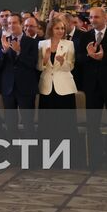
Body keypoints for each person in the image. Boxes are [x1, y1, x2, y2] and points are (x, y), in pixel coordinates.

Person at [73, 5, 107, 170]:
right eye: (90, 17)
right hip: (92, 87)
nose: (92, 20)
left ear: (105, 19)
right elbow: (79, 59)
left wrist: (104, 57)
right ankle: (95, 160)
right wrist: (89, 56)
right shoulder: (86, 36)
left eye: (96, 17)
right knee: (92, 123)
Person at [37, 13, 77, 141]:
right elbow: (38, 67)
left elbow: (70, 67)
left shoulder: (69, 44)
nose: (60, 31)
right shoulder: (42, 44)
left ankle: (67, 154)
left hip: (64, 87)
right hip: (47, 87)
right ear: (51, 29)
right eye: (57, 28)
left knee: (65, 123)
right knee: (47, 123)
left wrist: (62, 62)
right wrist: (45, 60)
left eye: (62, 28)